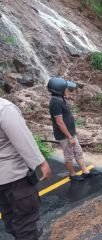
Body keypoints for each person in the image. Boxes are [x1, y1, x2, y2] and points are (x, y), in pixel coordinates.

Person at [0, 97, 52, 239]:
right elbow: (23, 140)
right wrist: (41, 162)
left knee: (9, 213)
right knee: (25, 218)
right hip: (14, 176)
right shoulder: (4, 108)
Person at [48, 77, 98, 182]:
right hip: (65, 135)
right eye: (66, 88)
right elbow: (59, 122)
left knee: (78, 151)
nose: (68, 90)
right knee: (69, 155)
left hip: (70, 133)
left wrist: (72, 132)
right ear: (59, 90)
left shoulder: (60, 99)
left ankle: (85, 171)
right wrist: (69, 137)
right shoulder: (55, 103)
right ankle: (72, 174)